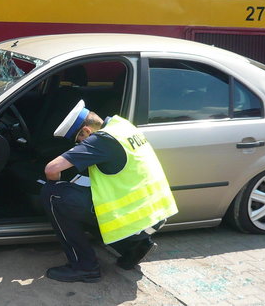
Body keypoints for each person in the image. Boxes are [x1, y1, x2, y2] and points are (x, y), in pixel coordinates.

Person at [40, 100, 178, 283]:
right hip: (152, 214)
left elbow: (52, 168)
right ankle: (132, 247)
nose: (79, 144)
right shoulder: (121, 126)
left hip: (133, 218)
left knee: (54, 195)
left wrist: (55, 185)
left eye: (78, 140)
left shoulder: (101, 140)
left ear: (87, 131)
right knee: (79, 201)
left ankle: (84, 267)